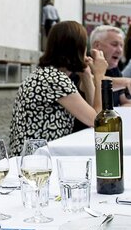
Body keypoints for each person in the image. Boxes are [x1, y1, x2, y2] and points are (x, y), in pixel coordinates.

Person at [8, 21, 105, 155]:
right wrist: (99, 75)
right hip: (37, 164)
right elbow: (98, 121)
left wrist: (87, 75)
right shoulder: (55, 80)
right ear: (77, 48)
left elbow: (93, 113)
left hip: (32, 159)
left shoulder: (47, 74)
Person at [89, 24, 131, 106]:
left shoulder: (114, 69)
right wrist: (125, 82)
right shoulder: (85, 65)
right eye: (114, 44)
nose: (120, 50)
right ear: (97, 45)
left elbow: (128, 102)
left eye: (121, 46)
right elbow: (91, 81)